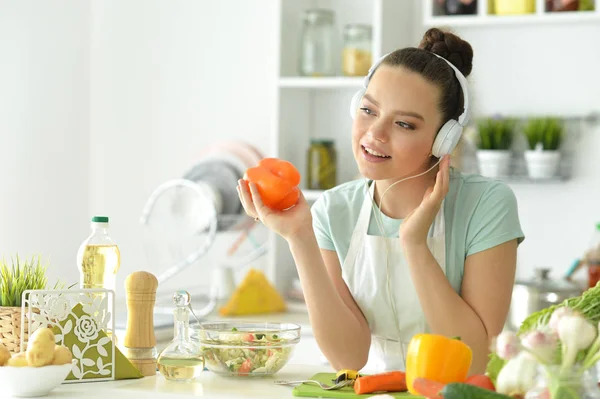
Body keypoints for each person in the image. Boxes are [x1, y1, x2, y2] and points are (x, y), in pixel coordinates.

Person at [237, 27, 524, 375]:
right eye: (368, 110)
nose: (375, 134)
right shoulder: (334, 209)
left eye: (404, 124)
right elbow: (349, 359)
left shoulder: (486, 205)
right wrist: (300, 237)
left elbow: (475, 359)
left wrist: (414, 243)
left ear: (443, 140)